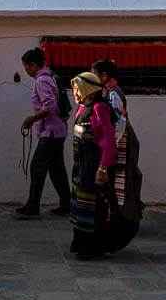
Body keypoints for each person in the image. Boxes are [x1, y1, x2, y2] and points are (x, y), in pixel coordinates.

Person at [91, 58, 143, 248]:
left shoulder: (113, 94)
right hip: (119, 146)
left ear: (103, 76)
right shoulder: (111, 92)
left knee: (120, 186)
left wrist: (109, 145)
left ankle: (126, 222)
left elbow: (119, 124)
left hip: (121, 147)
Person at [16, 47, 70, 218]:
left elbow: (50, 106)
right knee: (56, 169)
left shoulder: (42, 81)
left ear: (34, 64)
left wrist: (32, 118)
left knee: (37, 166)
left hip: (51, 132)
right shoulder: (50, 77)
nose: (25, 70)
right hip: (58, 130)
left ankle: (32, 206)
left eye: (26, 66)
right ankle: (66, 204)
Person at [70, 71, 119, 259]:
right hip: (81, 168)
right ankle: (82, 246)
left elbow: (107, 140)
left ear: (89, 90)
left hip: (94, 167)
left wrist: (103, 168)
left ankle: (94, 248)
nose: (75, 94)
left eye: (78, 90)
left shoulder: (100, 108)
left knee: (94, 207)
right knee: (81, 205)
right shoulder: (83, 109)